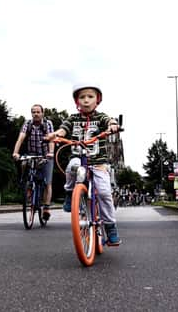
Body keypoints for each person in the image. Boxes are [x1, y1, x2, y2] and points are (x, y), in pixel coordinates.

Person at [45, 82, 121, 245]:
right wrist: (55, 134)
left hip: (98, 162)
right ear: (77, 101)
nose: (86, 100)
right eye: (82, 97)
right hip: (78, 158)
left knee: (104, 193)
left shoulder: (100, 117)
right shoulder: (72, 118)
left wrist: (113, 125)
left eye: (90, 96)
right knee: (72, 166)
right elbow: (63, 129)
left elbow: (110, 121)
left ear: (97, 100)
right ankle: (69, 193)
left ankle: (110, 226)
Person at [12, 104, 55, 220]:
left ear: (42, 113)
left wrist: (51, 152)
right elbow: (20, 138)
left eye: (38, 112)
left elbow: (51, 139)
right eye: (33, 112)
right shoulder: (28, 124)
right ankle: (27, 185)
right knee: (23, 163)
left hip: (46, 155)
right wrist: (15, 152)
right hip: (31, 154)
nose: (35, 114)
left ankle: (46, 208)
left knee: (47, 182)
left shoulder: (47, 124)